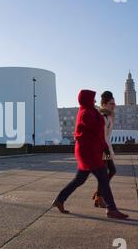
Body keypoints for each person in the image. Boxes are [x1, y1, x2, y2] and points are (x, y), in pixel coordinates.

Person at [52, 90, 129, 220]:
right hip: (88, 152)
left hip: (91, 151)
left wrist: (105, 147)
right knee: (103, 178)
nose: (94, 102)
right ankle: (111, 209)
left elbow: (99, 133)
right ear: (87, 100)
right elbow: (98, 130)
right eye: (92, 99)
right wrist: (105, 147)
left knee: (80, 179)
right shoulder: (86, 114)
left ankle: (59, 199)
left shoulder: (91, 112)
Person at [93, 91, 116, 208]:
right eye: (111, 103)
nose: (114, 105)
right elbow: (101, 135)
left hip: (106, 148)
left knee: (110, 171)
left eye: (114, 103)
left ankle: (98, 194)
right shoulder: (103, 116)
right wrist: (106, 150)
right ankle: (99, 196)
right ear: (105, 104)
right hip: (103, 149)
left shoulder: (109, 116)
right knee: (108, 171)